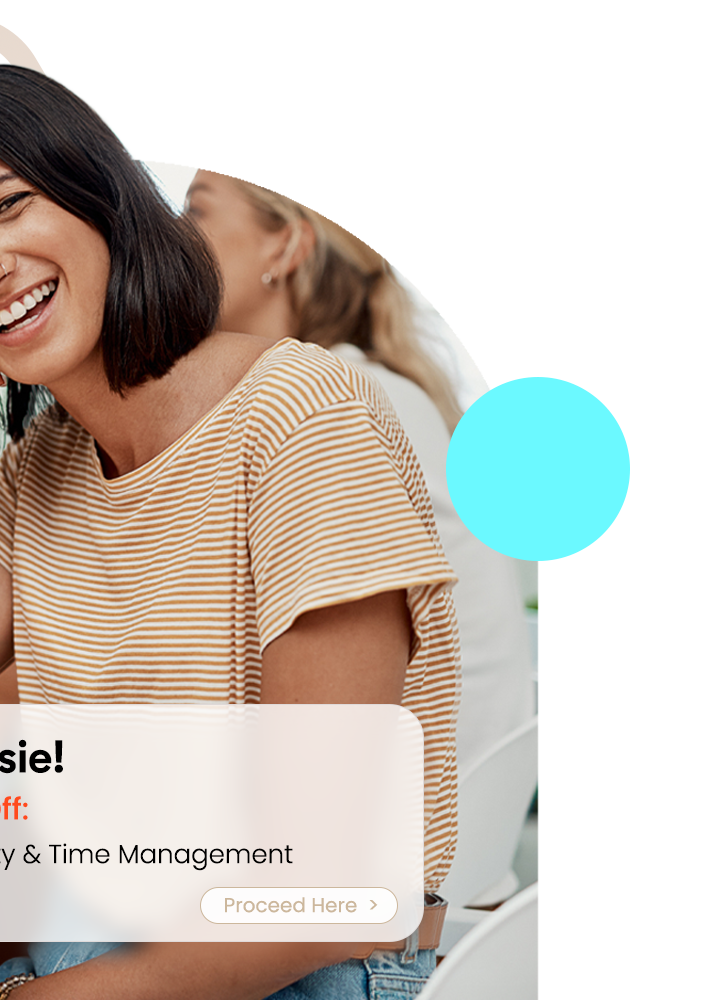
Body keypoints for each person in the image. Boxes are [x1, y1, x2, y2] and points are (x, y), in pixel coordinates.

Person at [0, 64, 461, 998]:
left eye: (10, 205)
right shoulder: (43, 467)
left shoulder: (300, 415)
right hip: (107, 943)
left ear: (101, 198)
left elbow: (327, 891)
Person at [184, 170, 534, 774]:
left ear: (286, 246)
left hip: (408, 827)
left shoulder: (328, 402)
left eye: (196, 212)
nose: (171, 237)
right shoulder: (367, 385)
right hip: (474, 822)